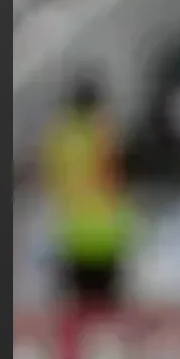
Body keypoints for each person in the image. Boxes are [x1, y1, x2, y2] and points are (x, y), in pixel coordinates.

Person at [42, 73, 130, 307]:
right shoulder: (105, 134)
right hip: (105, 231)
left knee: (76, 307)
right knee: (106, 307)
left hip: (71, 230)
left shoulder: (58, 137)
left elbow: (50, 178)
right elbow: (116, 177)